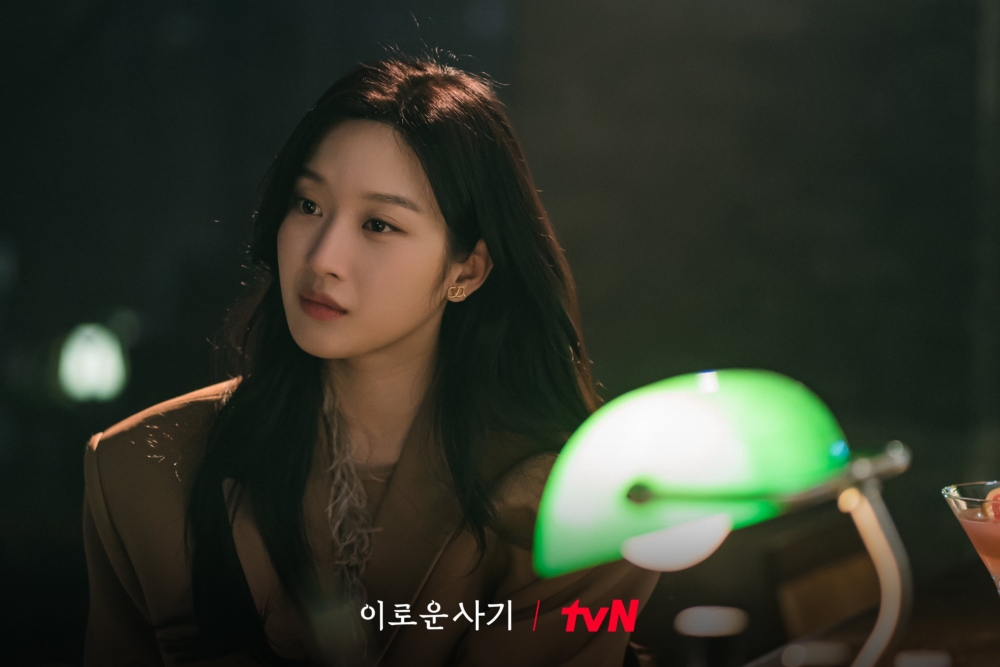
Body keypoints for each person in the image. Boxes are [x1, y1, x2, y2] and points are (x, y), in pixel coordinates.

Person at [82, 54, 661, 666]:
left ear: (467, 270)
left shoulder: (572, 511)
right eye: (308, 205)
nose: (323, 258)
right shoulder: (139, 472)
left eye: (379, 225)